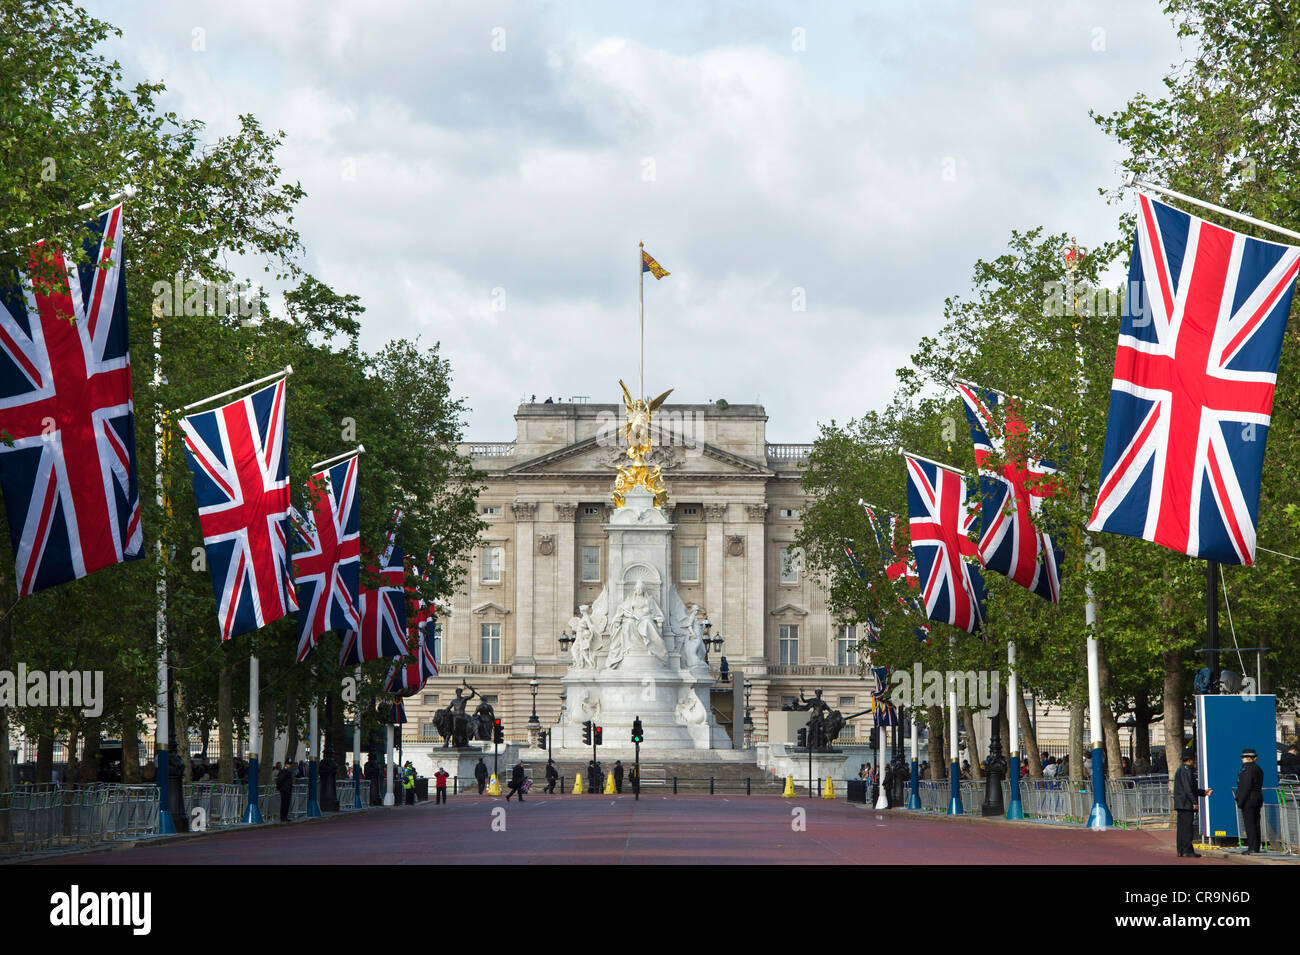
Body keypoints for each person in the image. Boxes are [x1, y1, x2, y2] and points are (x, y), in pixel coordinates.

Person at [1174, 748, 1212, 858]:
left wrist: (1203, 792)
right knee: (1187, 828)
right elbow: (1188, 789)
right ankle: (1187, 850)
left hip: (1181, 803)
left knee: (1181, 828)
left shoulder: (1181, 769)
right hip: (1186, 803)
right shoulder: (1187, 770)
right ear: (1190, 760)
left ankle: (1181, 850)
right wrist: (1194, 801)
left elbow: (1190, 788)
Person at [1235, 748, 1265, 854]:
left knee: (1250, 824)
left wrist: (1240, 801)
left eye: (1243, 757)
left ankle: (1252, 847)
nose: (1242, 759)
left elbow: (1245, 786)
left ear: (1248, 758)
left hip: (1249, 799)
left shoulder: (1247, 769)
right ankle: (1255, 847)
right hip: (1257, 798)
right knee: (1256, 823)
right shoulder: (1258, 768)